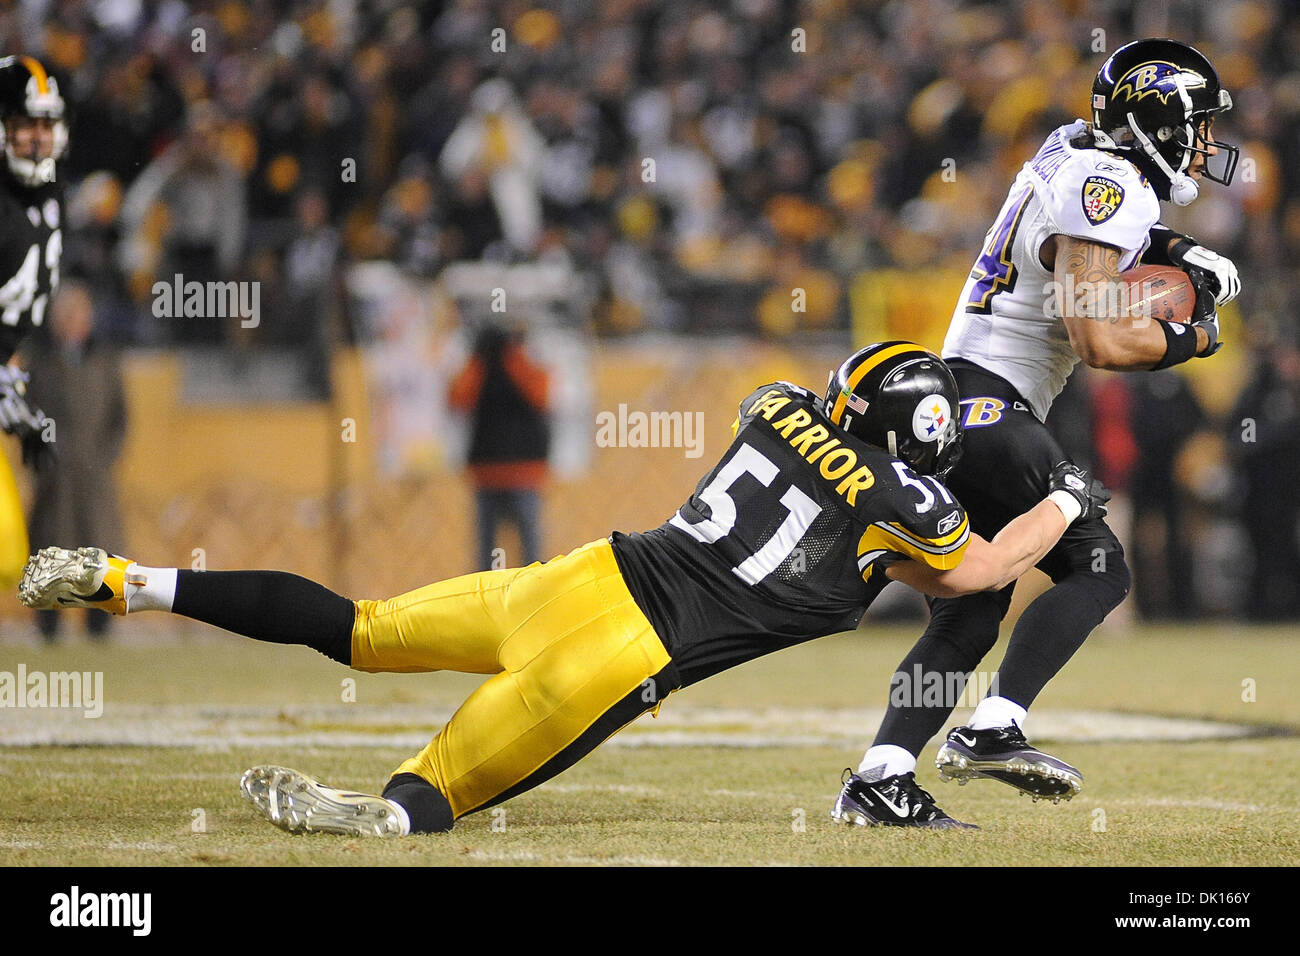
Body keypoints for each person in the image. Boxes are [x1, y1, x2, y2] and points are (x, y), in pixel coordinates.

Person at [19, 342, 1106, 835]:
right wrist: (1060, 501)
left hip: (578, 573)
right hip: (628, 652)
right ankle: (379, 815)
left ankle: (132, 580)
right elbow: (972, 569)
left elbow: (844, 514)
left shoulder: (777, 404)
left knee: (356, 627)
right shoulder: (904, 503)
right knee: (428, 801)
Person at [843, 39, 1241, 809]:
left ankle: (881, 777)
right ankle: (994, 725)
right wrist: (1193, 335)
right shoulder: (1109, 182)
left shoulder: (1077, 151)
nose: (1206, 144)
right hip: (993, 401)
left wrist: (1180, 247)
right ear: (1156, 123)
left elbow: (1093, 236)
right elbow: (1096, 338)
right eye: (1197, 125)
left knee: (971, 608)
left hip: (961, 398)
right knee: (1100, 568)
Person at [25, 280, 129, 642]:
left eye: (78, 313)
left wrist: (102, 457)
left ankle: (99, 626)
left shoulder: (104, 362)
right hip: (55, 477)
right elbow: (32, 417)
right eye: (65, 314)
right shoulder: (41, 364)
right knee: (51, 545)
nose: (72, 321)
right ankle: (49, 626)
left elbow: (120, 419)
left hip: (94, 476)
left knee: (98, 546)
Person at [0, 55, 66, 592]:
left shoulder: (44, 199)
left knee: (6, 558)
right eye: (25, 125)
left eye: (46, 124)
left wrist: (14, 392)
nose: (38, 139)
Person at [448, 323, 550, 570]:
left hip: (520, 473)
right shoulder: (481, 366)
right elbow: (457, 399)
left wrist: (511, 355)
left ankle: (533, 600)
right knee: (489, 556)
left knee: (530, 557)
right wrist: (482, 358)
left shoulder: (519, 363)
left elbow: (540, 394)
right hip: (491, 474)